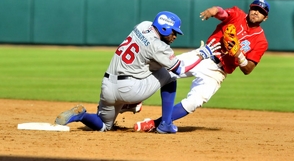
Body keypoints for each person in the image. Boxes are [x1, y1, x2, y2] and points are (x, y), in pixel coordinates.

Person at [54, 11, 220, 134]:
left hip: (107, 86)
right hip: (129, 89)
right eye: (173, 31)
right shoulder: (159, 47)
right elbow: (180, 69)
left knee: (104, 126)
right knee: (171, 75)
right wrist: (201, 55)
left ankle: (81, 116)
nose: (175, 36)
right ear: (163, 28)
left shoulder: (144, 25)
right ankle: (166, 124)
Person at [134, 0, 270, 132]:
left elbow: (248, 69)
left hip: (218, 72)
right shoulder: (238, 15)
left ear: (265, 18)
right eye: (254, 8)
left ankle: (155, 123)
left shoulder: (261, 41)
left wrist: (239, 54)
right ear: (250, 9)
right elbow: (223, 13)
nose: (256, 12)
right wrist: (214, 10)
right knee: (164, 71)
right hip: (203, 55)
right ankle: (134, 99)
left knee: (194, 102)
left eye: (261, 11)